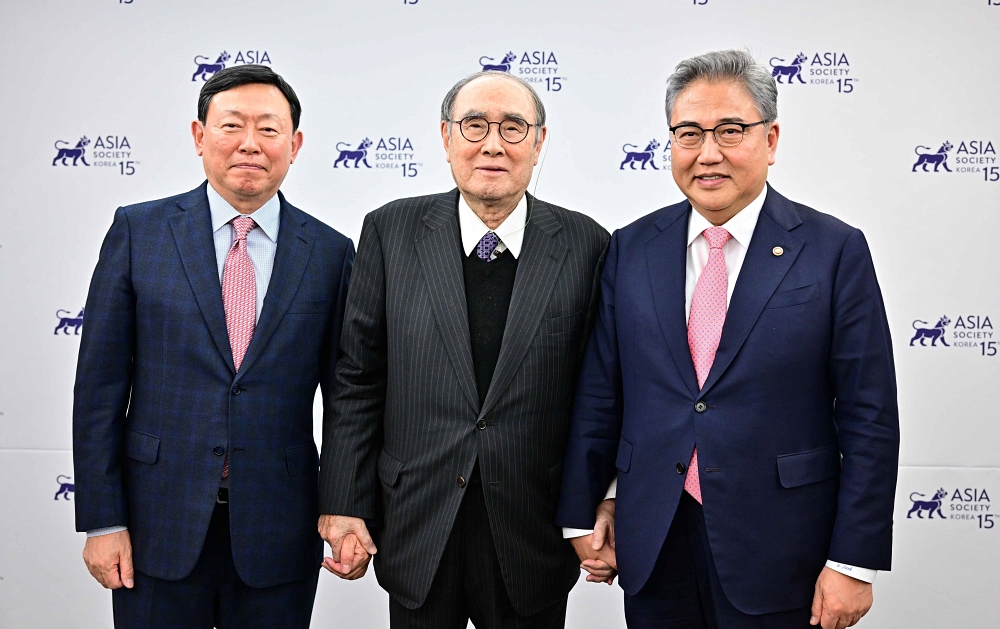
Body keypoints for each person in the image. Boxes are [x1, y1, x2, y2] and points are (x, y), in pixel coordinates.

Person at [556, 50, 900, 629]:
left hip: (784, 551)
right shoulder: (632, 248)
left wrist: (853, 560)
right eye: (688, 133)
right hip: (655, 541)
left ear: (770, 139)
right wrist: (584, 511)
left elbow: (870, 415)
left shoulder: (834, 250)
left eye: (730, 131)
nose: (707, 152)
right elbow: (601, 391)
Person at [317, 71, 611, 628]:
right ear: (447, 137)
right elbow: (357, 378)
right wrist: (345, 499)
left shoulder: (587, 245)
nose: (493, 144)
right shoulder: (390, 231)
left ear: (540, 142)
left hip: (535, 526)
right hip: (416, 521)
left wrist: (605, 498)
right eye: (475, 126)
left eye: (513, 127)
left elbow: (603, 392)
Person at [72, 65, 355, 629]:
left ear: (294, 145)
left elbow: (348, 397)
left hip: (281, 526)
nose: (250, 143)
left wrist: (346, 506)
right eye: (232, 125)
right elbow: (100, 386)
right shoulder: (139, 232)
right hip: (156, 527)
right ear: (200, 136)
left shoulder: (330, 251)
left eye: (269, 129)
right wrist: (103, 522)